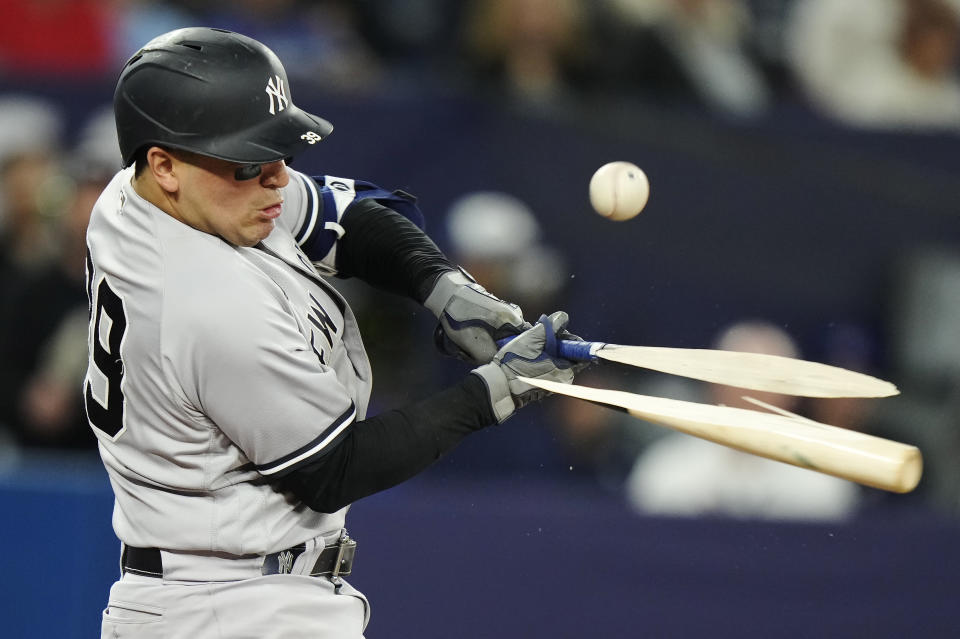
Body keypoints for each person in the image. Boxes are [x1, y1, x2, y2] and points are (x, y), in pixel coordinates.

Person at [88, 27, 584, 638]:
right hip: (229, 607)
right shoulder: (204, 303)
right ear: (164, 165)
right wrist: (497, 390)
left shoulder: (144, 197)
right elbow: (334, 470)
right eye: (248, 159)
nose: (277, 179)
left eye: (279, 153)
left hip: (219, 592)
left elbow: (346, 217)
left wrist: (447, 289)